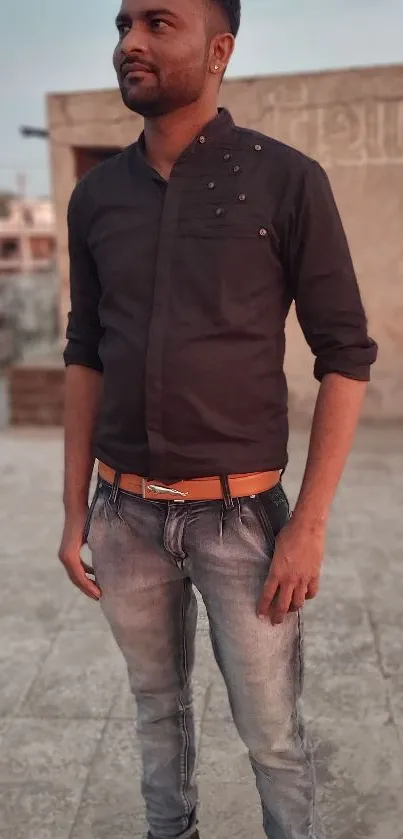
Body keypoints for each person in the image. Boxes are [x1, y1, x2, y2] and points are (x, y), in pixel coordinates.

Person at [58, 0, 377, 837]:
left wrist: (306, 524)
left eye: (158, 22)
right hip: (121, 516)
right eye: (122, 23)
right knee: (155, 712)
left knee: (272, 738)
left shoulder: (285, 179)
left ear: (219, 48)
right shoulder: (95, 198)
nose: (130, 40)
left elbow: (345, 354)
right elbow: (84, 353)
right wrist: (73, 512)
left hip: (244, 525)